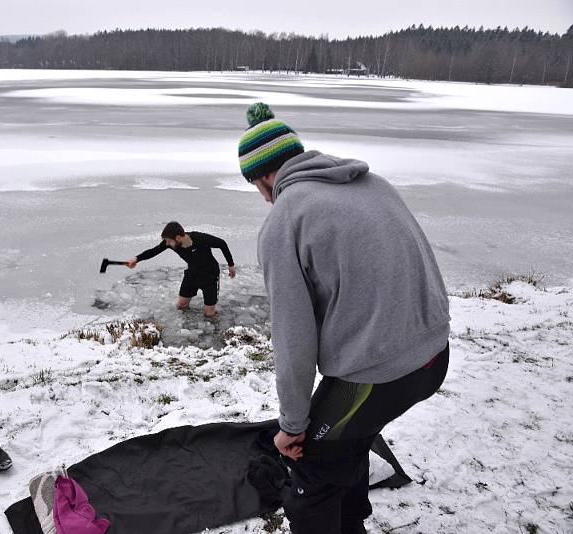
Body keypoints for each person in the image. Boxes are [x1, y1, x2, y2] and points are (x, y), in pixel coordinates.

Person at [239, 102, 450, 534]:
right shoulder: (373, 183)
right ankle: (353, 523)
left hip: (379, 378)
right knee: (346, 441)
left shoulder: (285, 220)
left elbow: (293, 341)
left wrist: (292, 427)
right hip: (434, 357)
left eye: (256, 186)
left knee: (312, 469)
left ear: (262, 177)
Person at [127, 222, 236, 317]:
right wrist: (136, 259)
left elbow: (222, 243)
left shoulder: (200, 238)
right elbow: (153, 251)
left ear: (178, 237)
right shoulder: (171, 243)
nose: (167, 243)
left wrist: (230, 265)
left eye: (169, 241)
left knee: (209, 314)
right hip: (192, 274)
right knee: (181, 306)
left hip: (210, 276)